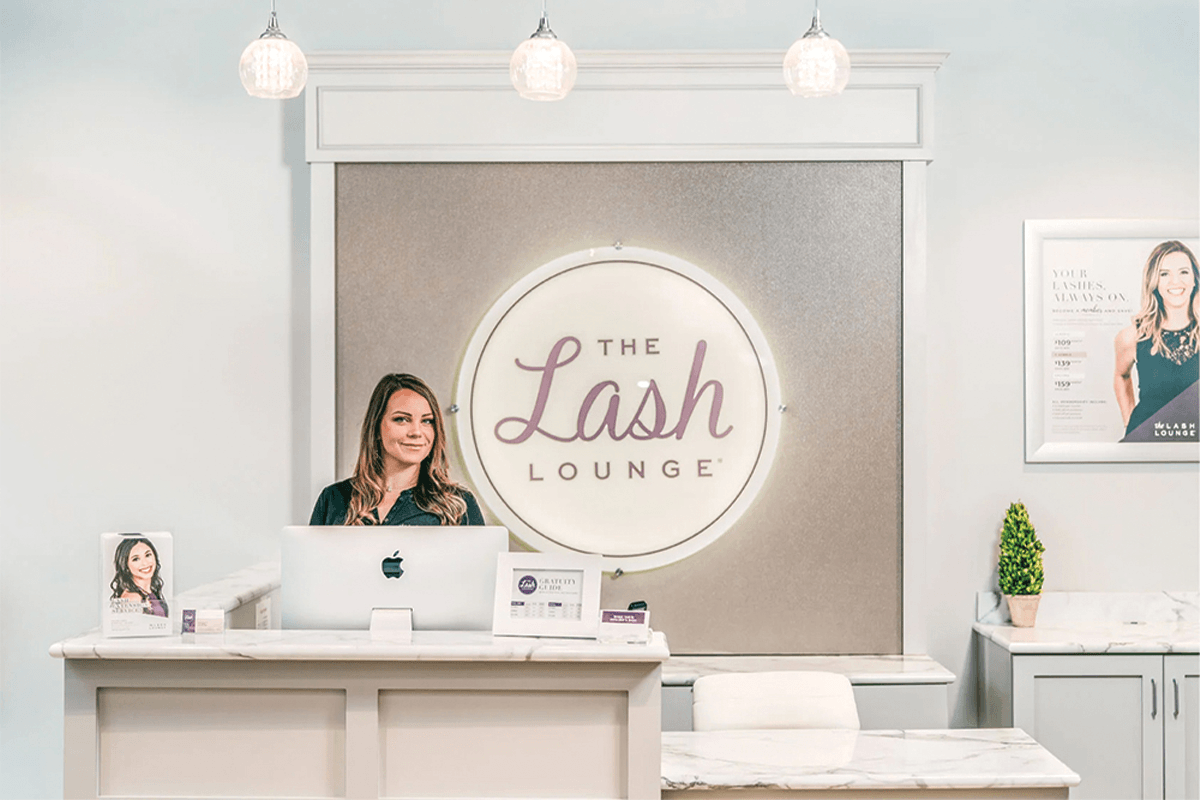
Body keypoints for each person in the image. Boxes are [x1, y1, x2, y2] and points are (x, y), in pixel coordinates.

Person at [310, 373, 484, 525]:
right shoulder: (334, 499)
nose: (417, 432)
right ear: (376, 427)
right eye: (402, 419)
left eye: (427, 421)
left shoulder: (459, 504)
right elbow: (310, 562)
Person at [1113, 240, 1199, 438]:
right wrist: (1129, 424)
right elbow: (1121, 376)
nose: (1175, 281)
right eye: (1164, 274)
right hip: (1147, 449)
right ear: (1154, 282)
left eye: (1184, 272)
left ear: (1195, 279)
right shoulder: (1132, 337)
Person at [109, 536, 169, 617]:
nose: (145, 563)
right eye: (136, 559)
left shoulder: (150, 592)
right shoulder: (132, 598)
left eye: (148, 555)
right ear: (125, 566)